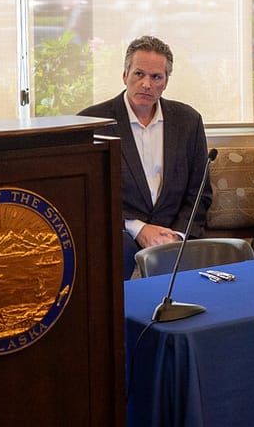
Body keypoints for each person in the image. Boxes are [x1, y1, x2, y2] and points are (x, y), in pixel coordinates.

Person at [79, 36, 211, 277]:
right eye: (139, 74)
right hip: (119, 233)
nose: (147, 84)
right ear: (125, 75)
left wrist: (177, 235)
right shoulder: (92, 123)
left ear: (166, 82)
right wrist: (138, 228)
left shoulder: (188, 121)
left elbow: (200, 193)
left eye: (156, 77)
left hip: (174, 233)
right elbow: (87, 196)